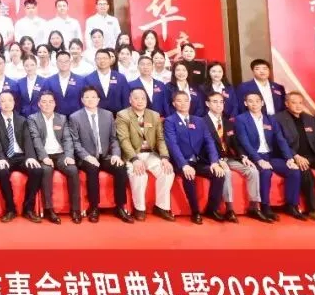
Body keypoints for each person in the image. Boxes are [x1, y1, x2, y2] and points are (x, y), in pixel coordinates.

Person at [235, 92, 303, 222]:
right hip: (254, 156)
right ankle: (265, 207)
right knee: (266, 172)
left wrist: (289, 158)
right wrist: (259, 160)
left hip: (270, 155)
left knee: (294, 170)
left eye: (257, 101)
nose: (254, 104)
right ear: (245, 103)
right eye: (250, 101)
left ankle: (291, 205)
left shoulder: (270, 119)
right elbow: (244, 142)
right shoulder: (241, 119)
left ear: (262, 103)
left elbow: (280, 139)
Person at [68, 86, 132, 223]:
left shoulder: (108, 115)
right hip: (86, 157)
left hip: (105, 155)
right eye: (87, 97)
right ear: (82, 100)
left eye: (93, 97)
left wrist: (116, 155)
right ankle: (94, 207)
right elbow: (75, 143)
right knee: (92, 169)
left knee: (120, 168)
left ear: (98, 99)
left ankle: (120, 207)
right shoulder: (74, 117)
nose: (90, 100)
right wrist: (87, 157)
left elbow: (114, 139)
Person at [275, 92, 315, 222]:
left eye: (300, 103)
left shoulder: (310, 118)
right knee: (306, 172)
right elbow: (279, 142)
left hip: (311, 156)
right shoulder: (278, 119)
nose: (298, 105)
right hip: (293, 157)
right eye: (294, 102)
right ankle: (313, 209)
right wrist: (295, 156)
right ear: (286, 104)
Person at [163, 91, 226, 224]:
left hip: (198, 161)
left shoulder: (199, 120)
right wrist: (184, 165)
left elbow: (209, 142)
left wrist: (214, 162)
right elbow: (172, 145)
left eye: (186, 100)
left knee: (219, 174)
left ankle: (212, 209)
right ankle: (195, 211)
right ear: (174, 104)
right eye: (179, 101)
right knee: (189, 176)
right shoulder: (170, 121)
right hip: (181, 161)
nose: (183, 103)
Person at [115, 88, 175, 221]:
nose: (140, 101)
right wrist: (134, 159)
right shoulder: (122, 115)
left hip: (151, 154)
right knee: (140, 174)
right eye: (136, 98)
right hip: (133, 154)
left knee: (168, 172)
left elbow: (160, 139)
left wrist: (165, 158)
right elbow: (124, 140)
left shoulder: (154, 115)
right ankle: (139, 208)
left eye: (143, 98)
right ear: (130, 100)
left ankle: (161, 207)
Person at [203, 91, 259, 223]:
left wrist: (243, 156)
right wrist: (216, 160)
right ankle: (230, 209)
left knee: (253, 170)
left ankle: (254, 207)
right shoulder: (202, 122)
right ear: (207, 104)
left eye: (221, 102)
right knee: (226, 172)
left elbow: (236, 143)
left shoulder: (228, 123)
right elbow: (202, 146)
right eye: (215, 102)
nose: (219, 105)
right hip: (212, 159)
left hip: (229, 158)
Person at [27, 91, 81, 223]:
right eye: (44, 102)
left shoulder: (62, 118)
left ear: (55, 103)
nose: (47, 104)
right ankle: (49, 209)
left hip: (61, 154)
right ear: (39, 104)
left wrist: (69, 155)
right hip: (44, 155)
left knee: (73, 170)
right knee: (46, 171)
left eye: (50, 101)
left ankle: (75, 209)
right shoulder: (33, 119)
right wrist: (44, 157)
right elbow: (36, 139)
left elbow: (67, 139)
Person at [0, 90, 43, 223]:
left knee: (37, 170)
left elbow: (27, 139)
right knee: (1, 171)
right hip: (5, 156)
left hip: (21, 156)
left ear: (14, 102)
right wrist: (0, 158)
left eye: (9, 100)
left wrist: (30, 156)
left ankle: (28, 209)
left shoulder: (22, 120)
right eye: (3, 101)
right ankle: (10, 209)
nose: (6, 104)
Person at [83, 48, 128, 114]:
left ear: (110, 60)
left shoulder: (121, 78)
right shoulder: (88, 79)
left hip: (118, 115)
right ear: (95, 60)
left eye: (105, 58)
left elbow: (126, 99)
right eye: (99, 58)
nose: (102, 61)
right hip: (97, 115)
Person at [46, 51, 85, 117]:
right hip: (56, 117)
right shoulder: (49, 81)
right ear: (56, 63)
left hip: (77, 117)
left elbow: (84, 99)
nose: (63, 64)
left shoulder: (81, 80)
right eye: (60, 61)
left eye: (66, 61)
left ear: (70, 62)